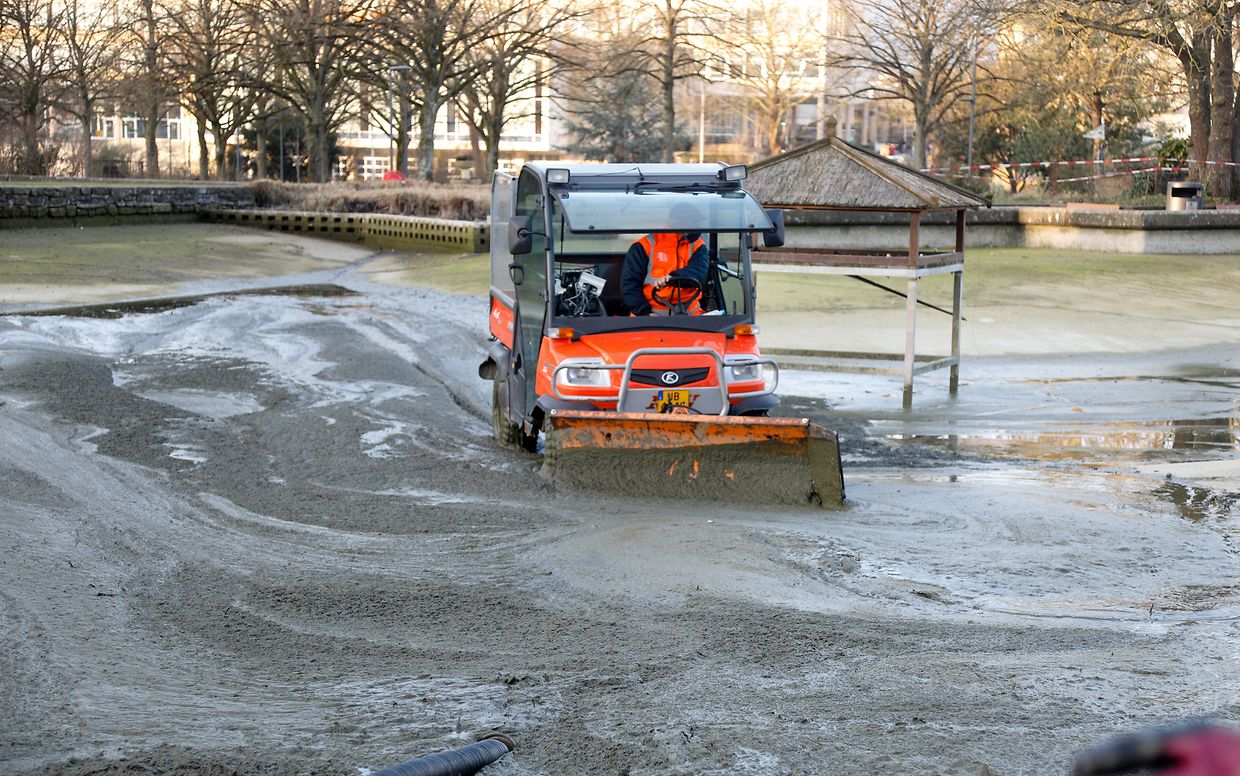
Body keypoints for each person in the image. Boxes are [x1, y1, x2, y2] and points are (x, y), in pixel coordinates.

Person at [620, 205, 708, 315]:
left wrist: (673, 278)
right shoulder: (644, 246)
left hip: (690, 314)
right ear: (676, 222)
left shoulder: (698, 246)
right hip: (652, 315)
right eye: (693, 222)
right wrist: (645, 314)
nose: (696, 226)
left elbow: (699, 273)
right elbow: (629, 285)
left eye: (696, 222)